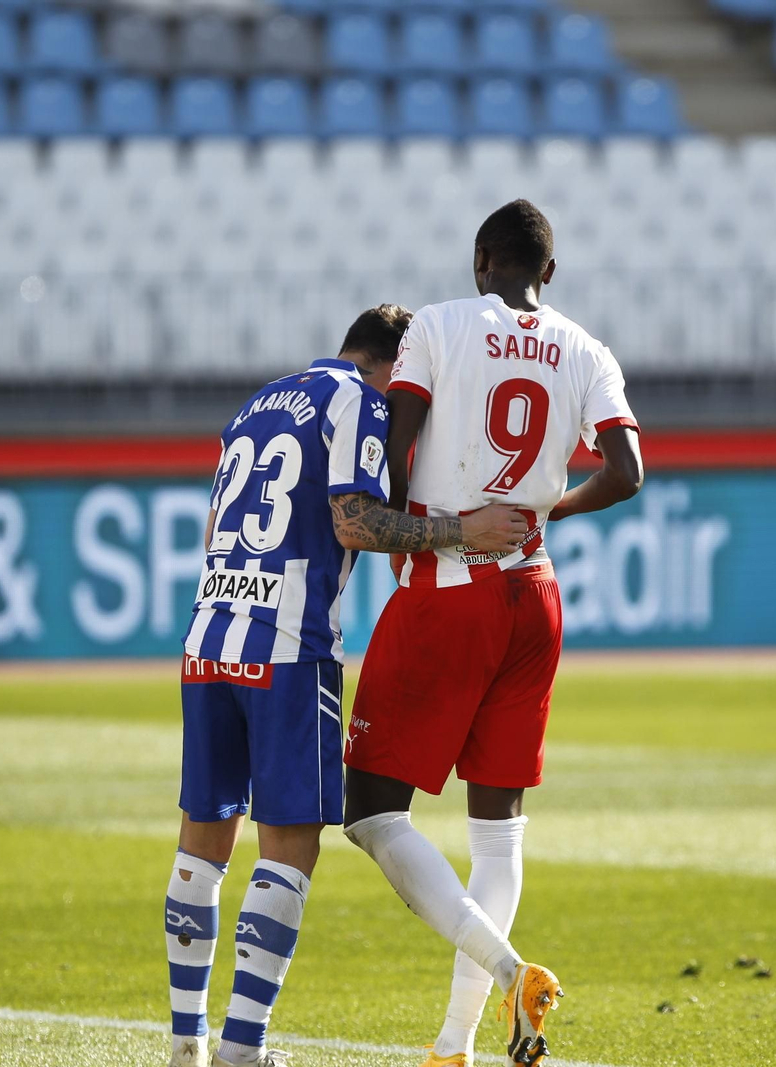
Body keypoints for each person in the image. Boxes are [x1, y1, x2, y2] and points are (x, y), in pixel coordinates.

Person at [166, 305, 528, 1067]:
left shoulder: (258, 402)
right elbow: (354, 520)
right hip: (289, 646)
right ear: (395, 365)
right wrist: (466, 530)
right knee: (289, 846)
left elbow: (210, 532)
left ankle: (185, 1047)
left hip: (209, 635)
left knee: (202, 844)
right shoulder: (360, 401)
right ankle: (242, 1049)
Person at [340, 201, 644, 1067]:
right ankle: (453, 1044)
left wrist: (402, 530)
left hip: (449, 589)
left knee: (370, 809)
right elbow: (626, 470)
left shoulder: (435, 326)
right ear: (547, 272)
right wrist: (547, 507)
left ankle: (510, 972)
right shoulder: (587, 348)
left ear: (482, 260)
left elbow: (395, 450)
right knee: (499, 827)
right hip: (533, 595)